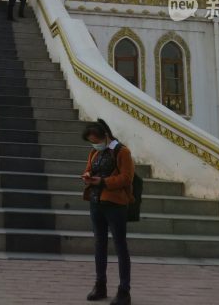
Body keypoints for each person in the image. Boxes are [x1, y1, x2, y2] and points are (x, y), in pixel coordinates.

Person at [81, 119, 134, 305]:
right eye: (91, 141)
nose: (94, 144)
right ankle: (100, 284)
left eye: (96, 139)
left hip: (115, 204)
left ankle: (124, 290)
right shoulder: (95, 152)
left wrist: (103, 182)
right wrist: (87, 176)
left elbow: (126, 178)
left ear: (106, 136)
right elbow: (89, 169)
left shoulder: (122, 151)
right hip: (96, 202)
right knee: (99, 244)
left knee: (120, 246)